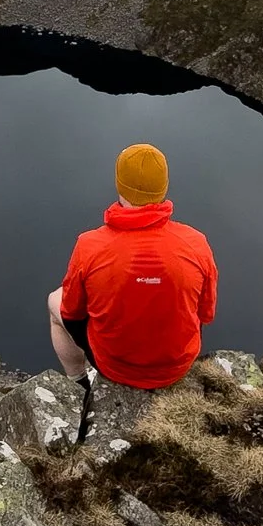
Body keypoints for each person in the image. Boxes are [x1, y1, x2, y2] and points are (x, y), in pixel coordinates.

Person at [48, 143, 217, 408]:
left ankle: (78, 381)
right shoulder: (196, 243)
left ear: (119, 184)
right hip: (177, 365)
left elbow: (71, 312)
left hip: (115, 366)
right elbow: (206, 313)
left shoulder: (90, 244)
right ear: (164, 186)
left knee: (53, 302)